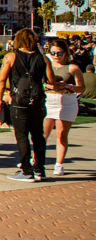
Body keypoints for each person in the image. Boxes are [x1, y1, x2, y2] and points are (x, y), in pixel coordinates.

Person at [0, 28, 59, 182]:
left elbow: (1, 80)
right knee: (38, 136)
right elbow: (51, 81)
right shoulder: (43, 58)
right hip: (37, 100)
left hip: (19, 100)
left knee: (22, 135)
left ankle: (26, 170)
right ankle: (40, 169)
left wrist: (0, 99)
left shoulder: (11, 57)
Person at [43, 39, 83, 177]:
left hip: (66, 101)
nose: (55, 56)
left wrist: (68, 86)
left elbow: (81, 87)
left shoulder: (73, 68)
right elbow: (39, 83)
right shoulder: (46, 65)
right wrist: (48, 86)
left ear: (65, 53)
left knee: (61, 134)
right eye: (53, 53)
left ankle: (59, 164)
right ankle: (37, 159)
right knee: (43, 134)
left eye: (59, 53)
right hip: (49, 100)